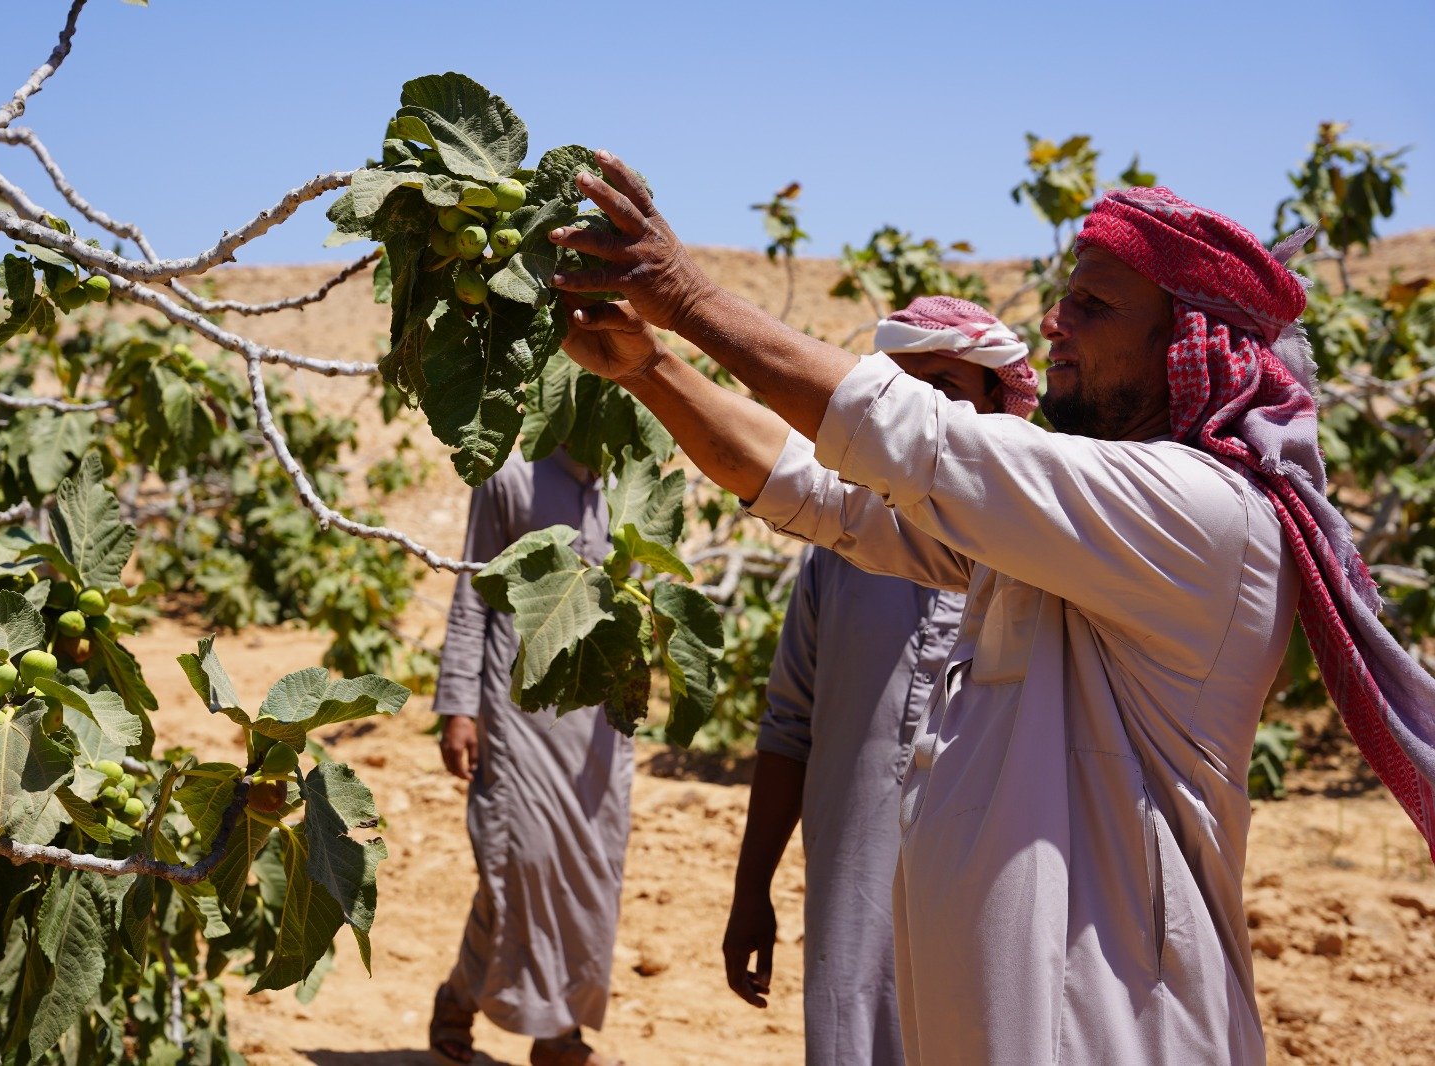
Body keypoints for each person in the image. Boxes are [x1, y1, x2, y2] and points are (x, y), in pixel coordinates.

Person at [546, 154, 1435, 1064]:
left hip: (1112, 1033)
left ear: (1183, 339)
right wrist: (650, 366)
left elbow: (918, 442)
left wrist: (692, 300)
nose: (1056, 324)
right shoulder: (1066, 544)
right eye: (1063, 301)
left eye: (1093, 306)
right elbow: (814, 491)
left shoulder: (1197, 511)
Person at [722, 298, 1037, 1066]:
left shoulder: (1040, 556)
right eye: (903, 390)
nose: (923, 413)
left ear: (1000, 403)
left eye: (948, 389)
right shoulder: (838, 551)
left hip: (995, 903)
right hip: (852, 897)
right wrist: (751, 889)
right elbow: (789, 724)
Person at [429, 447, 630, 1066]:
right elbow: (473, 593)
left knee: (590, 875)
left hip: (599, 726)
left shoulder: (630, 479)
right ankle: (467, 1003)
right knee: (518, 867)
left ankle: (556, 1033)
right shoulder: (510, 475)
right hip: (518, 714)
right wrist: (460, 704)